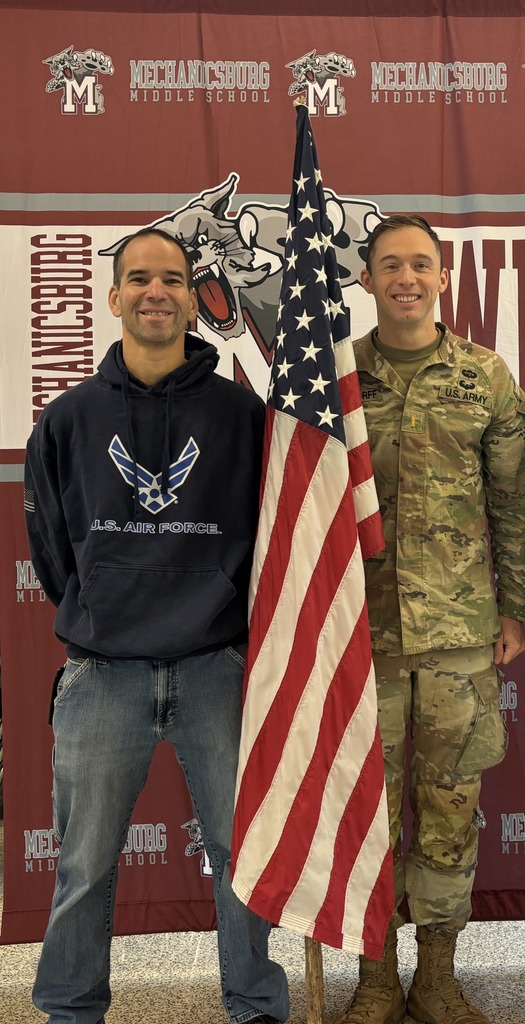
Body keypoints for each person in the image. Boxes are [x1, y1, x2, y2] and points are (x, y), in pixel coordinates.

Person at [24, 227, 289, 1024]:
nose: (155, 292)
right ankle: (71, 1009)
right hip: (103, 672)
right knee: (85, 863)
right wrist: (101, 609)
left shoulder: (245, 415)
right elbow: (51, 548)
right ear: (114, 297)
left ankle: (255, 1005)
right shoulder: (68, 419)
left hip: (216, 668)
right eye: (138, 278)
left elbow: (271, 536)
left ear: (195, 297)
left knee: (244, 858)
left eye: (171, 278)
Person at [343, 215, 525, 1024]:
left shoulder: (485, 377)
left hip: (460, 636)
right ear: (366, 280)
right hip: (363, 639)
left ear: (442, 276)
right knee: (372, 818)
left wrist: (514, 606)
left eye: (420, 264)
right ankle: (378, 977)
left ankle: (436, 973)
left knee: (452, 808)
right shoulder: (336, 379)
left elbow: (509, 503)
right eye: (390, 265)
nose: (406, 278)